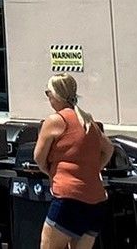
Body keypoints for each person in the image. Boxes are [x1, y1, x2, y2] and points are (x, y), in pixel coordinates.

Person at [32, 74, 114, 249]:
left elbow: (38, 158)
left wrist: (51, 172)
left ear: (56, 95)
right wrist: (93, 169)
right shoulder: (87, 120)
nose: (48, 97)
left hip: (68, 199)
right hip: (96, 201)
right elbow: (109, 149)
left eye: (48, 93)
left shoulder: (55, 120)